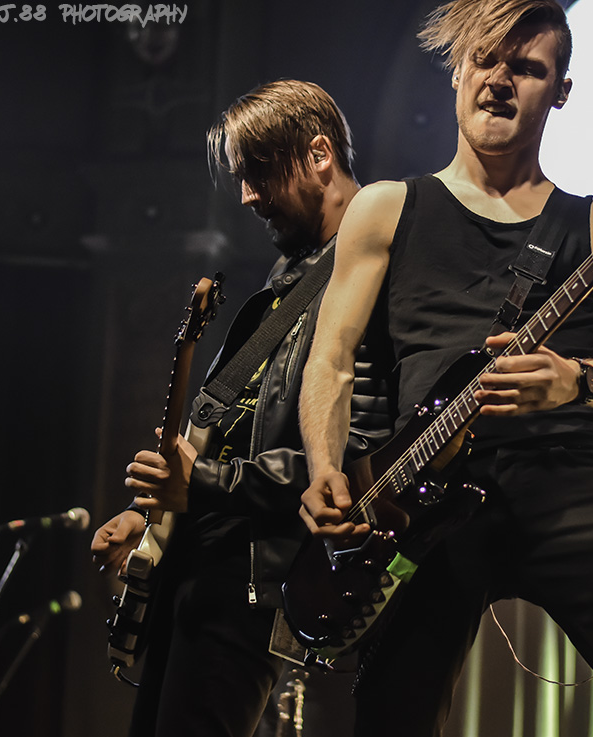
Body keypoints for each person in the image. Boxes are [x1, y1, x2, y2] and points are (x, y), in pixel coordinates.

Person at [296, 1, 593, 735]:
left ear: (559, 91)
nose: (501, 80)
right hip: (420, 499)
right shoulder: (385, 208)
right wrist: (326, 465)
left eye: (527, 68)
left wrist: (575, 380)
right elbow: (330, 357)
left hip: (571, 479)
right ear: (458, 69)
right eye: (487, 60)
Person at [90, 80, 392, 737]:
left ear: (319, 154)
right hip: (197, 565)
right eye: (241, 176)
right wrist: (149, 515)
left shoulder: (371, 273)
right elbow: (219, 429)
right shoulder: (283, 283)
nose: (248, 195)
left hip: (253, 581)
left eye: (259, 172)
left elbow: (359, 451)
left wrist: (201, 483)